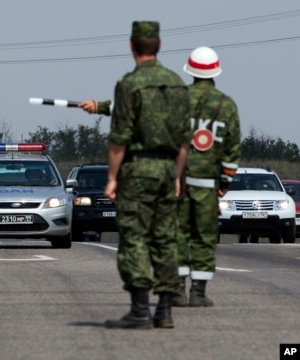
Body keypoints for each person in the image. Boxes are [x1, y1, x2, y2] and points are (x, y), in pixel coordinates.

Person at [84, 21, 191, 329]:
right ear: (158, 46)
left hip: (138, 169)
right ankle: (166, 310)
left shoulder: (129, 85)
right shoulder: (177, 84)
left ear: (132, 46)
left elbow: (119, 138)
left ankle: (140, 309)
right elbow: (184, 140)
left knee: (134, 238)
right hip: (168, 167)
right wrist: (176, 176)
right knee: (165, 238)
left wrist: (113, 178)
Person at [173, 46, 241, 307]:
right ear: (216, 72)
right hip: (207, 185)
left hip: (178, 182)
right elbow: (232, 149)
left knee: (178, 235)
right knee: (204, 237)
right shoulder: (226, 105)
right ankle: (198, 293)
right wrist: (224, 182)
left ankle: (177, 291)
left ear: (189, 71)